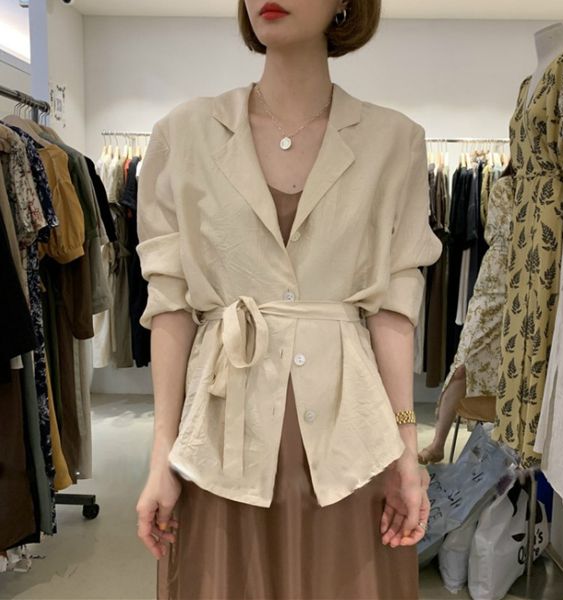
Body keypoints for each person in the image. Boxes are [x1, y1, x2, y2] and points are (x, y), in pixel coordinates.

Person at [135, 1, 442, 598]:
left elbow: (393, 309)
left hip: (350, 445)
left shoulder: (394, 141)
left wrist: (407, 452)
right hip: (221, 439)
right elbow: (170, 304)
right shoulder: (184, 133)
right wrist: (161, 454)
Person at [419, 163, 515, 465]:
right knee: (464, 362)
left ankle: (507, 452)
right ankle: (438, 443)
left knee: (516, 367)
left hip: (531, 285)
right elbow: (508, 233)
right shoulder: (504, 186)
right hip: (495, 282)